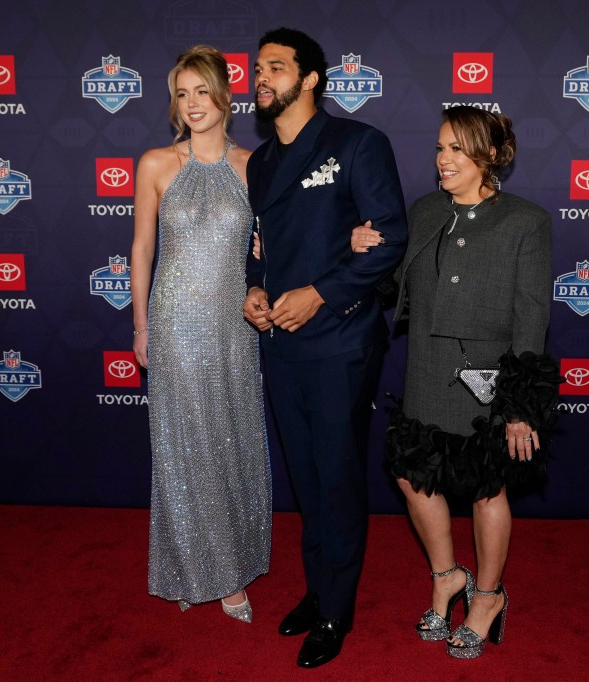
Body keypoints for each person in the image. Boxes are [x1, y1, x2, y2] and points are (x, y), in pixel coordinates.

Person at [352, 105, 557, 659]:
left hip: (491, 379)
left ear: (490, 155)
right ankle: (447, 576)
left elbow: (531, 317)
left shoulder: (525, 221)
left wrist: (519, 405)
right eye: (440, 148)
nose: (444, 160)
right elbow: (391, 288)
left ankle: (488, 596)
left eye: (457, 150)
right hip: (426, 370)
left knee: (489, 489)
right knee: (415, 478)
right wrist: (365, 253)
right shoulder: (423, 213)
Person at [242, 27, 408, 668]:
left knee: (336, 479)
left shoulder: (357, 143)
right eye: (259, 68)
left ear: (311, 78)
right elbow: (262, 249)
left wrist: (322, 291)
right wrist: (253, 291)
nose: (263, 78)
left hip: (339, 340)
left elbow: (389, 238)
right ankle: (319, 590)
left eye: (277, 68)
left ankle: (337, 609)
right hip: (280, 342)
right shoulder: (261, 163)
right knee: (307, 480)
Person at [130, 45, 270, 624]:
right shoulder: (156, 164)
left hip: (233, 326)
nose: (191, 104)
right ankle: (204, 571)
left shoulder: (253, 166)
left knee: (231, 440)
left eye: (201, 91)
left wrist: (267, 254)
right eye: (181, 93)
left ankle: (231, 561)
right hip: (174, 322)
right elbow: (141, 249)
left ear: (225, 96)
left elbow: (270, 246)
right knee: (185, 449)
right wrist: (140, 324)